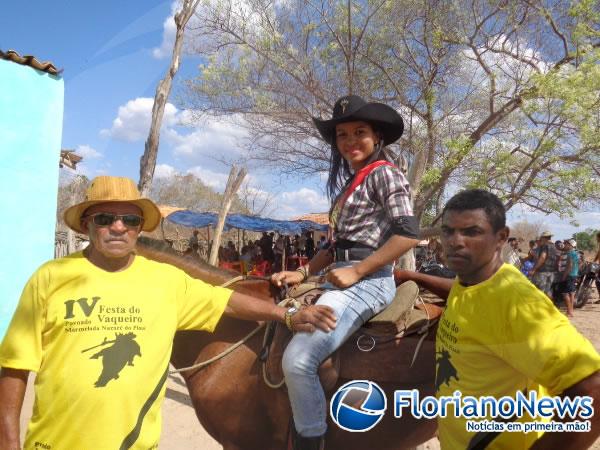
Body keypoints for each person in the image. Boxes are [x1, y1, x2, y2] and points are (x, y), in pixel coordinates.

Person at [0, 176, 336, 450]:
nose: (118, 227)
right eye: (105, 218)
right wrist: (8, 441)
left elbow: (229, 301)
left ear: (139, 227)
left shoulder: (166, 280)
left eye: (129, 219)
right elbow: (15, 365)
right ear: (87, 224)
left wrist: (286, 315)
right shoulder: (50, 277)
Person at [395, 189, 600, 449]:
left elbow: (592, 391)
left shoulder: (516, 304)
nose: (455, 241)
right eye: (448, 231)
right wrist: (414, 277)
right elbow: (467, 296)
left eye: (471, 232)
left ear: (501, 237)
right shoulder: (473, 279)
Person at [271, 95, 419, 450]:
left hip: (369, 281)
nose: (350, 141)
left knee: (298, 360)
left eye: (359, 132)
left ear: (377, 136)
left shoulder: (384, 173)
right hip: (340, 274)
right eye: (342, 135)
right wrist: (304, 272)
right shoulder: (351, 185)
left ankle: (311, 440)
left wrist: (359, 271)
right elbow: (333, 245)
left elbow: (408, 234)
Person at [529, 230, 558, 298]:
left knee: (539, 292)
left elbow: (542, 257)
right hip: (551, 272)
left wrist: (533, 269)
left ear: (545, 238)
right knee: (548, 291)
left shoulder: (545, 246)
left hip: (543, 272)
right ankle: (548, 307)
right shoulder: (554, 247)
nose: (541, 239)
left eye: (542, 238)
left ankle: (538, 307)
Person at [558, 238, 579, 317]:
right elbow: (578, 264)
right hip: (574, 274)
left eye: (566, 243)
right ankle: (571, 310)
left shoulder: (570, 253)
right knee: (572, 293)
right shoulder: (575, 253)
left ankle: (569, 312)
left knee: (565, 293)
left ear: (570, 245)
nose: (565, 245)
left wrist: (564, 276)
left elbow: (569, 265)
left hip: (569, 275)